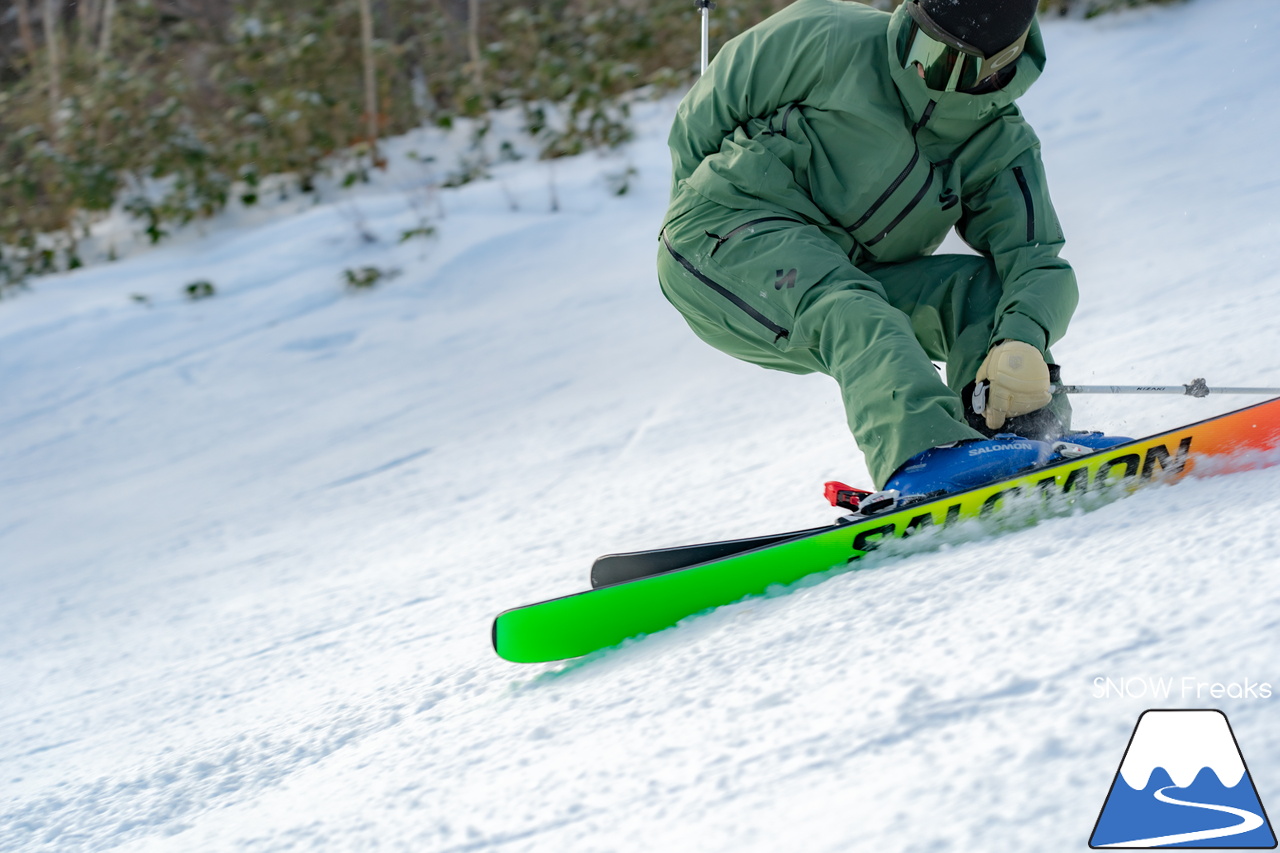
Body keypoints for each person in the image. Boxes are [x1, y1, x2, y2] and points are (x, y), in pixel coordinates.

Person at [657, 0, 1124, 504]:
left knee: (984, 298)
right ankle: (929, 454)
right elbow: (698, 121)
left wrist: (1023, 344)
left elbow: (1034, 258)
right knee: (849, 303)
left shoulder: (997, 142)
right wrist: (702, 215)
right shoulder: (829, 36)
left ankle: (1020, 438)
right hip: (724, 230)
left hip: (853, 273)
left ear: (994, 68)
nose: (917, 65)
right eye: (916, 40)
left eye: (940, 57)